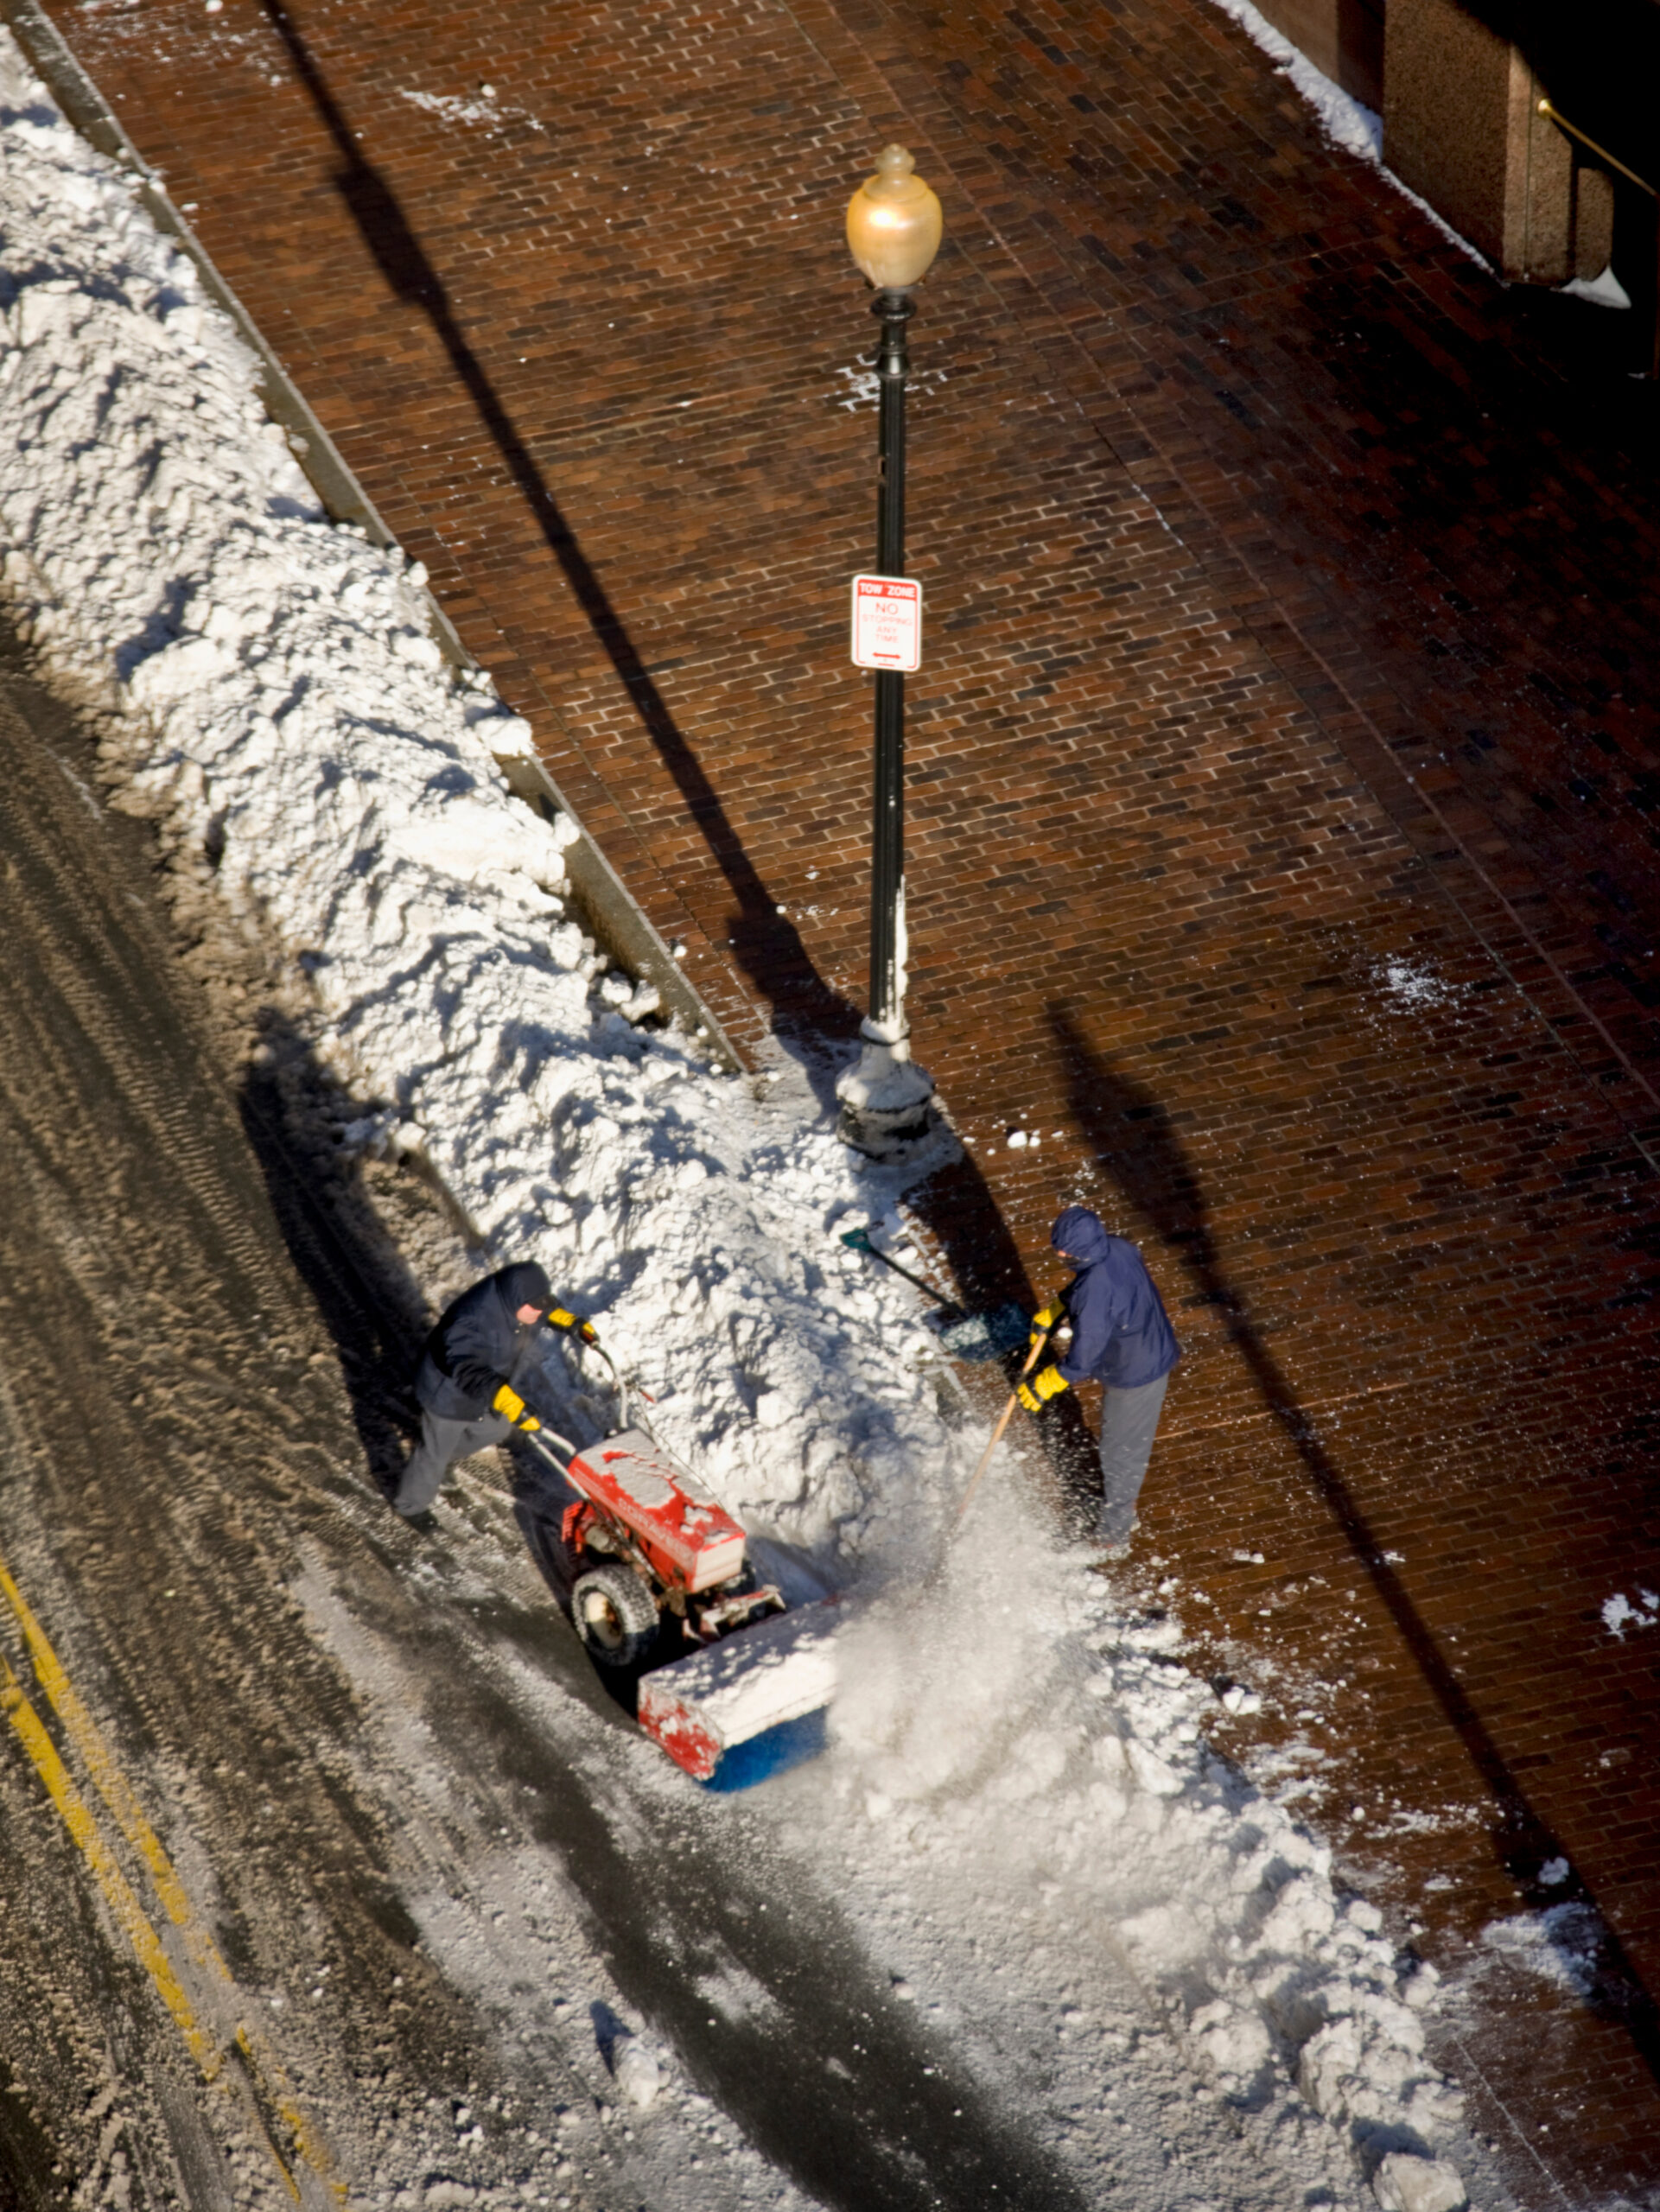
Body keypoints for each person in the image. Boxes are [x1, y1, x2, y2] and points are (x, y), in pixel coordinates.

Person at [1017, 1206, 1180, 1552]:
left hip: (1135, 1372)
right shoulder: (1116, 1246)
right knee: (1120, 1447)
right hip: (1144, 1342)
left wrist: (1048, 1381)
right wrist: (1059, 1307)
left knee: (1120, 1453)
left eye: (1064, 1250)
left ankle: (1113, 1535)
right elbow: (1091, 1282)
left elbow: (1083, 1358)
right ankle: (1115, 1522)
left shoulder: (1094, 1294)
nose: (1059, 1254)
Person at [391, 1261, 599, 1518]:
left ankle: (443, 1459)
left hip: (488, 1387)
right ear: (517, 1300)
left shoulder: (519, 1301)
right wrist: (505, 1398)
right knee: (433, 1453)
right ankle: (410, 1507)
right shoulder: (471, 1320)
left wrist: (569, 1322)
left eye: (541, 1304)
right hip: (449, 1393)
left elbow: (542, 1307)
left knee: (496, 1428)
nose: (539, 1312)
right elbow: (464, 1368)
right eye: (535, 1308)